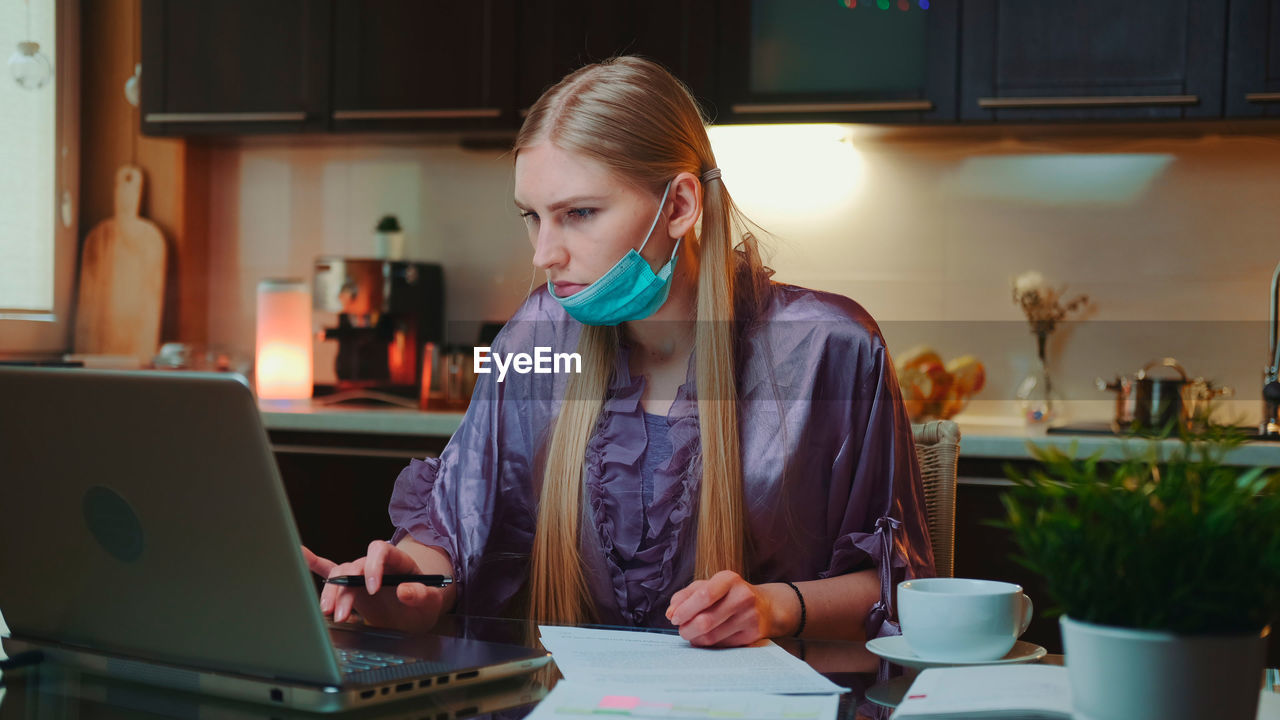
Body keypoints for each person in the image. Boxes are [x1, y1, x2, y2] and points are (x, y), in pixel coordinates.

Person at [304, 56, 934, 648]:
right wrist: (408, 584)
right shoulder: (535, 337)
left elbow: (899, 588)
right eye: (533, 216)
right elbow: (458, 524)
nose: (543, 254)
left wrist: (774, 607)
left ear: (680, 206)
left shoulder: (833, 348)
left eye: (578, 213)